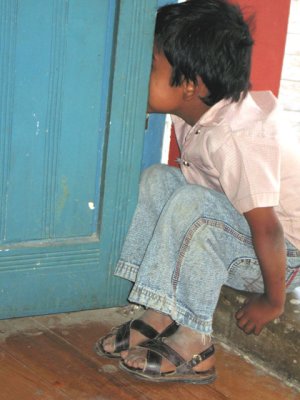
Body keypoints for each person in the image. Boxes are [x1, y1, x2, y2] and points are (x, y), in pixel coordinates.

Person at [95, 0, 300, 384]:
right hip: (240, 235)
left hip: (280, 258)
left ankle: (195, 341)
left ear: (190, 85)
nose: (137, 74)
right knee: (159, 179)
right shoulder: (192, 112)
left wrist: (273, 302)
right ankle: (159, 309)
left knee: (193, 203)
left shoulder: (236, 138)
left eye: (150, 67)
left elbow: (268, 228)